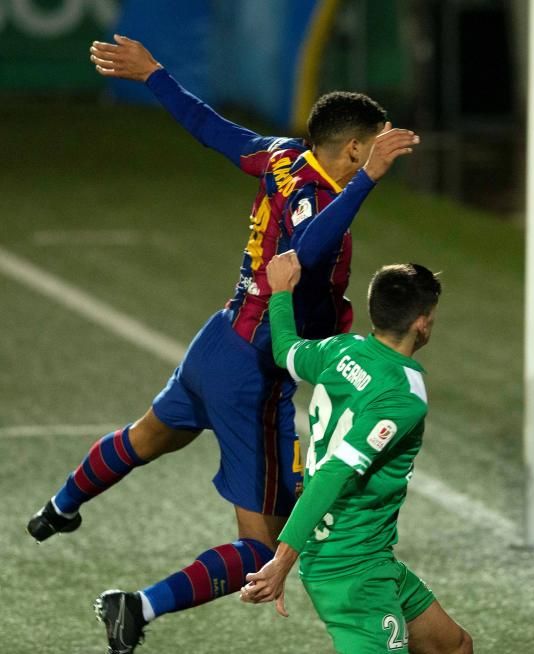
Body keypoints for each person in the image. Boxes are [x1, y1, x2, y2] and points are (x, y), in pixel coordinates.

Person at [25, 34, 419, 653]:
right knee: (262, 542)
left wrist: (155, 72)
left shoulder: (282, 155)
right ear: (352, 148)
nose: (385, 153)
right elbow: (308, 249)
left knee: (148, 435)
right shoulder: (326, 193)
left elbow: (210, 128)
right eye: (377, 145)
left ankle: (58, 507)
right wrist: (366, 181)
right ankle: (139, 606)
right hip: (254, 376)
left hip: (218, 341)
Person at [239, 251, 473, 653]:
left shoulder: (341, 351)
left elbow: (287, 352)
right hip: (349, 565)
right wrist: (281, 561)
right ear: (422, 322)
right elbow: (335, 472)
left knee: (454, 647)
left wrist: (281, 294)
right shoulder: (402, 393)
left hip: (370, 557)